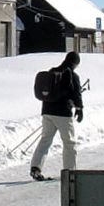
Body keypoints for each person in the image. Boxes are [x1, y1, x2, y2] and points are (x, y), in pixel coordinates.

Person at [30, 51, 84, 180]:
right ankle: (70, 172)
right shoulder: (72, 75)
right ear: (75, 63)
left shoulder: (52, 71)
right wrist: (80, 108)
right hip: (63, 113)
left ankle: (35, 168)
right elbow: (76, 93)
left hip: (47, 111)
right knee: (69, 142)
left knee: (45, 140)